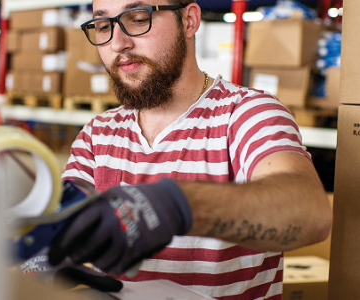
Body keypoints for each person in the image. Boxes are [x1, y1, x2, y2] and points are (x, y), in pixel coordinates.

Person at [48, 0, 333, 299]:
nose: (118, 43)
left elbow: (310, 214)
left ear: (189, 20)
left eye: (137, 18)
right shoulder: (98, 133)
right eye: (104, 26)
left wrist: (178, 205)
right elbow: (64, 218)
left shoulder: (246, 113)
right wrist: (49, 245)